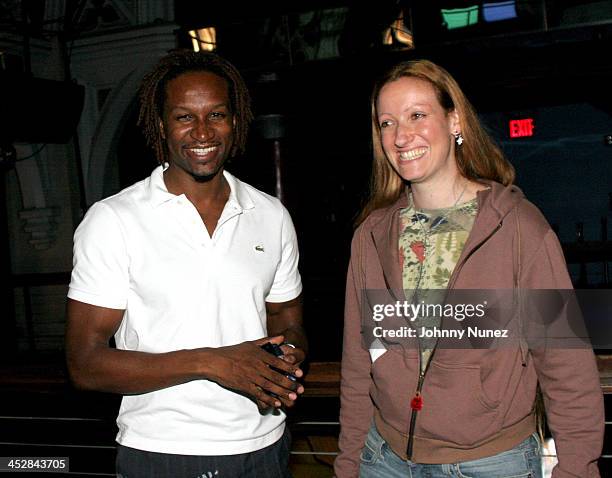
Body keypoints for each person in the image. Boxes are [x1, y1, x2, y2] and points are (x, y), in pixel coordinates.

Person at [334, 59, 603, 477]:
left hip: (490, 463)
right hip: (383, 460)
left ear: (455, 120)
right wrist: (350, 463)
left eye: (417, 115)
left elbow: (566, 366)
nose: (402, 136)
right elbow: (357, 367)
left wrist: (577, 468)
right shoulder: (371, 236)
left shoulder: (517, 229)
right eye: (387, 123)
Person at [65, 50, 307, 478]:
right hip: (165, 452)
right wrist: (212, 362)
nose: (202, 132)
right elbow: (84, 363)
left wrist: (288, 353)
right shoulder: (114, 220)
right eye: (183, 117)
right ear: (161, 125)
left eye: (216, 114)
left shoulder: (271, 214)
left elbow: (287, 315)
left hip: (268, 446)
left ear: (236, 121)